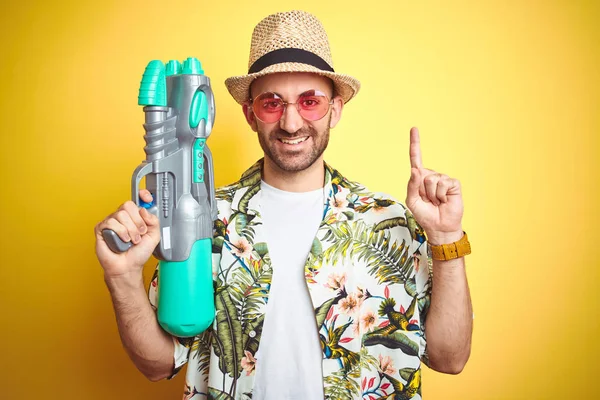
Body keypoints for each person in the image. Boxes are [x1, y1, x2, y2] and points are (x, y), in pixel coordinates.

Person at [94, 10, 473, 400]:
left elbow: (450, 358)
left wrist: (446, 237)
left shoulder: (390, 221)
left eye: (310, 101)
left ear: (336, 110)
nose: (291, 123)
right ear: (250, 114)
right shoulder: (202, 216)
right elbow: (157, 366)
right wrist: (122, 277)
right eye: (272, 103)